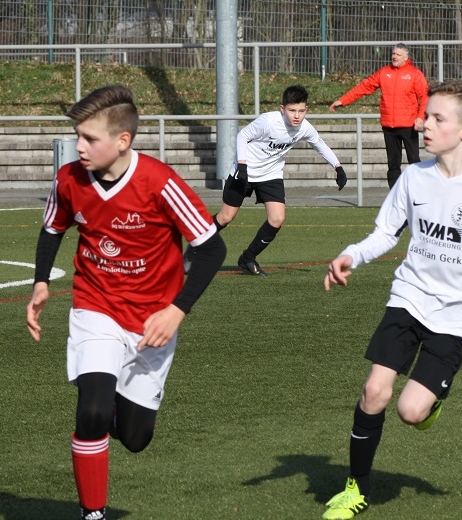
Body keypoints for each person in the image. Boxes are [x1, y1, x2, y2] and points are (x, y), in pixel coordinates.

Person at [320, 81, 462, 520]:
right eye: (425, 115)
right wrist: (352, 255)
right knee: (374, 391)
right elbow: (385, 232)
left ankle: (430, 403)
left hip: (459, 315)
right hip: (410, 297)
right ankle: (356, 488)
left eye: (436, 118)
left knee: (411, 412)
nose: (423, 124)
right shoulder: (414, 177)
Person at [26, 85, 227, 520]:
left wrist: (176, 310)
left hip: (152, 322)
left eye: (90, 138)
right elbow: (53, 228)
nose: (79, 147)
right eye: (78, 137)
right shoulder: (68, 179)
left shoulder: (160, 182)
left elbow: (212, 248)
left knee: (136, 438)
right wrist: (41, 282)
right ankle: (92, 514)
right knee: (92, 410)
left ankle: (118, 405)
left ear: (123, 140)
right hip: (95, 306)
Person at [207, 84, 347, 277]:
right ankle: (195, 247)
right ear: (282, 109)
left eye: (301, 111)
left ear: (306, 110)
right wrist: (242, 164)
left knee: (277, 219)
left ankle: (248, 258)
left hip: (270, 174)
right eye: (292, 110)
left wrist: (338, 167)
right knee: (225, 217)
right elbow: (242, 135)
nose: (296, 116)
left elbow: (319, 144)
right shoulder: (268, 121)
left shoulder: (305, 127)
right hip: (245, 170)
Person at [329, 43, 429, 188]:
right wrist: (343, 100)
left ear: (406, 58)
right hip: (389, 126)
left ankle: (419, 192)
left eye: (398, 54)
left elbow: (425, 97)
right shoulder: (384, 72)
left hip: (408, 125)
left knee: (414, 161)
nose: (394, 56)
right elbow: (365, 86)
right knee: (393, 164)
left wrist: (420, 117)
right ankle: (394, 195)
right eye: (393, 53)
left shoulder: (415, 74)